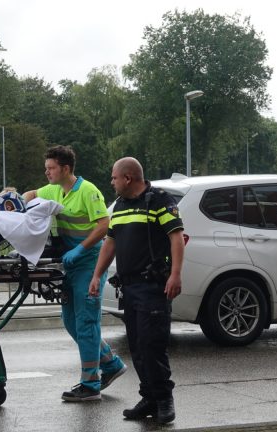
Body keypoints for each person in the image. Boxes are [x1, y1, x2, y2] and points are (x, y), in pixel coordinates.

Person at [23, 145, 126, 402]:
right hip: (70, 265)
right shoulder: (55, 190)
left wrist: (80, 249)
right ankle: (111, 364)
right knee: (70, 321)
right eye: (46, 168)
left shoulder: (88, 191)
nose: (46, 172)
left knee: (86, 321)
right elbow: (32, 193)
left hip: (90, 263)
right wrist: (18, 200)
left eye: (51, 168)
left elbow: (104, 225)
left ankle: (90, 384)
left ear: (65, 169)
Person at [88, 157, 184, 424]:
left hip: (153, 285)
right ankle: (149, 398)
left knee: (153, 346)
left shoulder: (159, 201)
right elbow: (110, 242)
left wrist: (175, 274)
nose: (112, 182)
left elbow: (176, 237)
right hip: (129, 288)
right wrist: (97, 275)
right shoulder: (119, 206)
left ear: (128, 178)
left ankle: (164, 399)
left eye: (114, 177)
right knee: (138, 347)